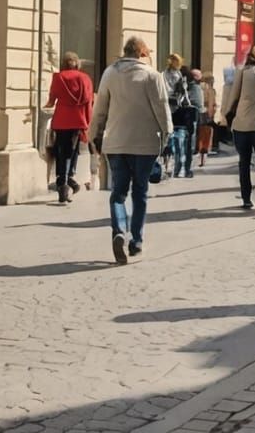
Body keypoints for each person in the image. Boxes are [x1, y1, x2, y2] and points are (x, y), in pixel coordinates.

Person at [89, 36, 171, 263]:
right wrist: (167, 135)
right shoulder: (152, 75)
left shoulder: (110, 73)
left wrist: (93, 133)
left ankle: (119, 231)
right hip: (145, 144)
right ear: (142, 53)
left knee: (118, 193)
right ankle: (136, 240)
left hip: (116, 142)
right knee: (140, 192)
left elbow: (100, 108)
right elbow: (162, 107)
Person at [222, 44, 255, 209]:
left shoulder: (242, 72)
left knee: (244, 162)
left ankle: (246, 198)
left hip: (242, 125)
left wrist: (226, 116)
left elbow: (233, 96)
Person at [45, 51, 94, 204]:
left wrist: (48, 105)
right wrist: (88, 121)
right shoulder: (84, 78)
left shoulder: (58, 77)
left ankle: (64, 180)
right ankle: (66, 180)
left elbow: (52, 98)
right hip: (77, 119)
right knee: (72, 150)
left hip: (61, 120)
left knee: (62, 149)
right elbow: (88, 101)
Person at [193, 68, 217, 168]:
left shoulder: (198, 87)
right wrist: (211, 114)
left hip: (198, 113)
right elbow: (212, 103)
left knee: (199, 134)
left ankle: (199, 154)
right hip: (206, 114)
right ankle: (203, 156)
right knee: (206, 135)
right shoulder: (210, 89)